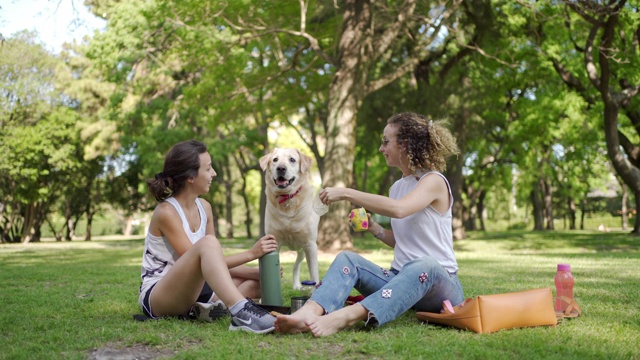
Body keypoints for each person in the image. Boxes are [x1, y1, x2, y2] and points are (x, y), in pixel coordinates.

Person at [274, 112, 464, 337]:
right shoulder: (397, 188)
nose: (381, 148)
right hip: (400, 282)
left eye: (386, 142)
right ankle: (309, 312)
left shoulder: (433, 181)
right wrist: (375, 229)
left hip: (440, 285)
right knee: (348, 258)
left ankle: (346, 316)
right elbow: (405, 243)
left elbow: (399, 209)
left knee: (425, 264)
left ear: (405, 145)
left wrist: (346, 192)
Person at [139, 139, 278, 334]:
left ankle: (210, 310)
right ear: (191, 177)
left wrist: (256, 273)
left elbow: (214, 263)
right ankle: (241, 313)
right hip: (160, 294)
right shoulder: (166, 212)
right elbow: (199, 260)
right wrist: (251, 253)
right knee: (208, 243)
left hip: (197, 290)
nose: (214, 174)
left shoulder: (205, 208)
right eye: (208, 168)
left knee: (259, 284)